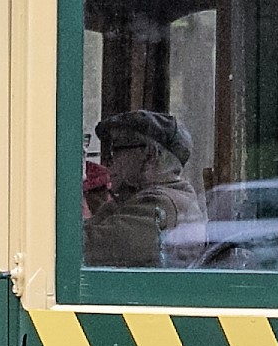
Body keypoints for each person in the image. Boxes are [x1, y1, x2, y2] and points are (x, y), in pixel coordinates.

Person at [82, 109, 200, 268]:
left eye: (116, 149)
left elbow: (77, 249)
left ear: (150, 154)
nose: (108, 161)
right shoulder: (131, 199)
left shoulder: (159, 205)